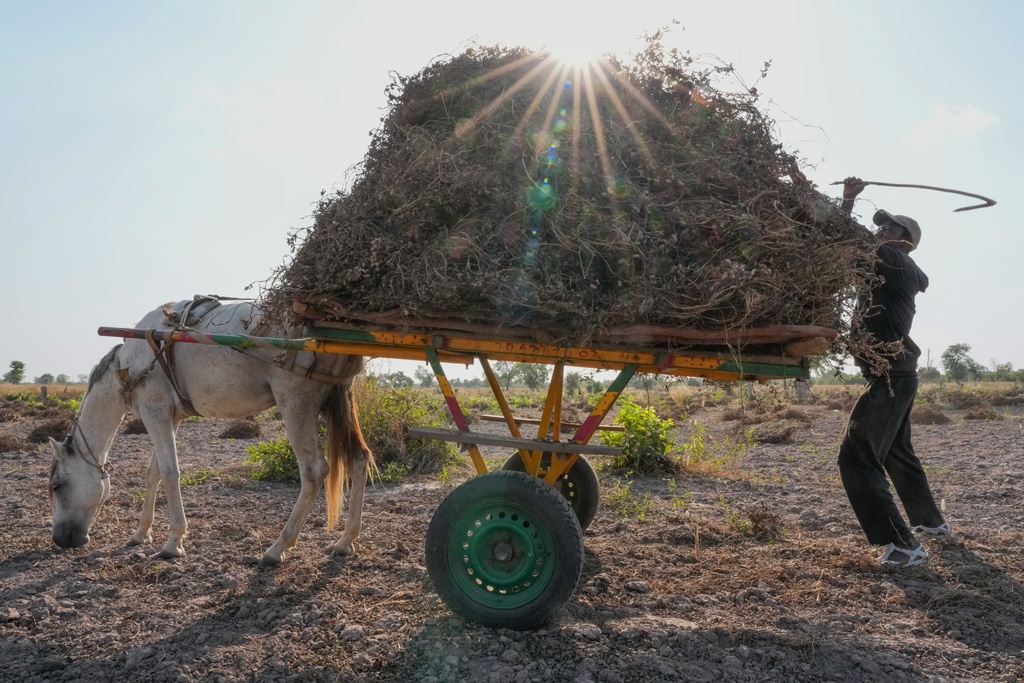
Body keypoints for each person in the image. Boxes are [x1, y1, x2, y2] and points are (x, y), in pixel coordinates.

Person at [837, 176, 950, 567]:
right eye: (880, 225)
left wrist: (847, 201)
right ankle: (931, 524)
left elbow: (842, 239)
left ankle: (902, 544)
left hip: (892, 375)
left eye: (890, 227)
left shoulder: (895, 260)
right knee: (897, 452)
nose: (881, 230)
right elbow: (850, 249)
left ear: (906, 240)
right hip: (893, 372)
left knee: (856, 454)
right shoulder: (884, 265)